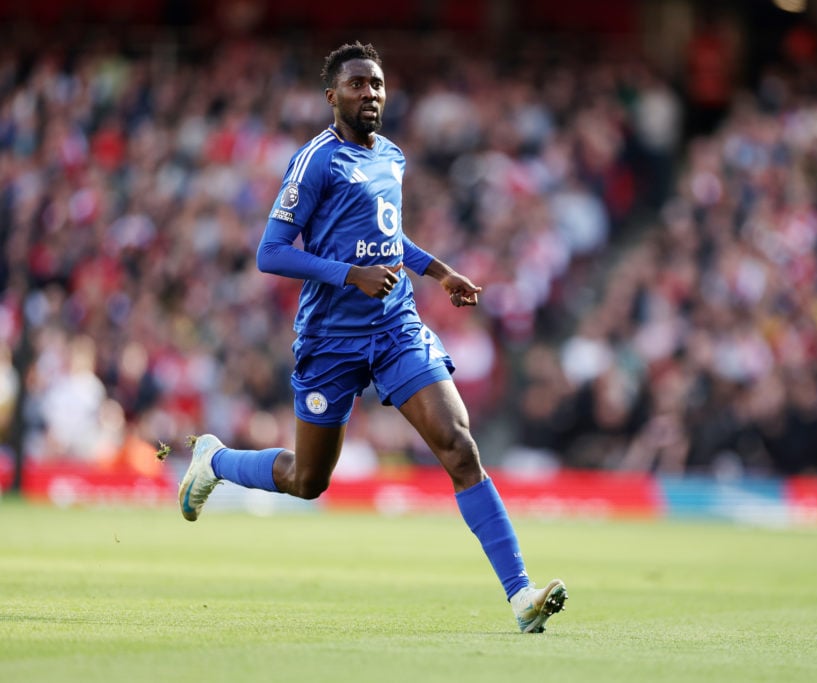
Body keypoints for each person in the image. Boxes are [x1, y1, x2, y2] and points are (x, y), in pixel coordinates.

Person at [175, 41, 567, 634]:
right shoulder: (316, 161)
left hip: (393, 326)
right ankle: (216, 460)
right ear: (332, 95)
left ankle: (521, 596)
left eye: (378, 84)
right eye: (357, 85)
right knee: (309, 482)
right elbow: (270, 252)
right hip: (330, 338)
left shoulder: (392, 158)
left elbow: (390, 239)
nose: (371, 94)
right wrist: (347, 275)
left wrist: (439, 271)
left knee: (460, 447)